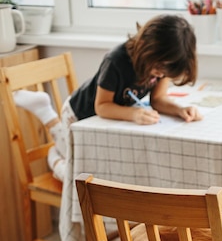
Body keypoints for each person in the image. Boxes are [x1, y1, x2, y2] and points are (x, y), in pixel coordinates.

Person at [12, 14, 202, 181]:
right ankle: (51, 144)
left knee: (99, 178)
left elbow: (157, 100)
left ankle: (53, 131)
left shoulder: (163, 64)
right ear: (147, 49)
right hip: (79, 116)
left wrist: (179, 110)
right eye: (158, 70)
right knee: (77, 179)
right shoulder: (116, 61)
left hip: (106, 123)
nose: (159, 76)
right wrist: (134, 114)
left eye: (164, 73)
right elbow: (101, 106)